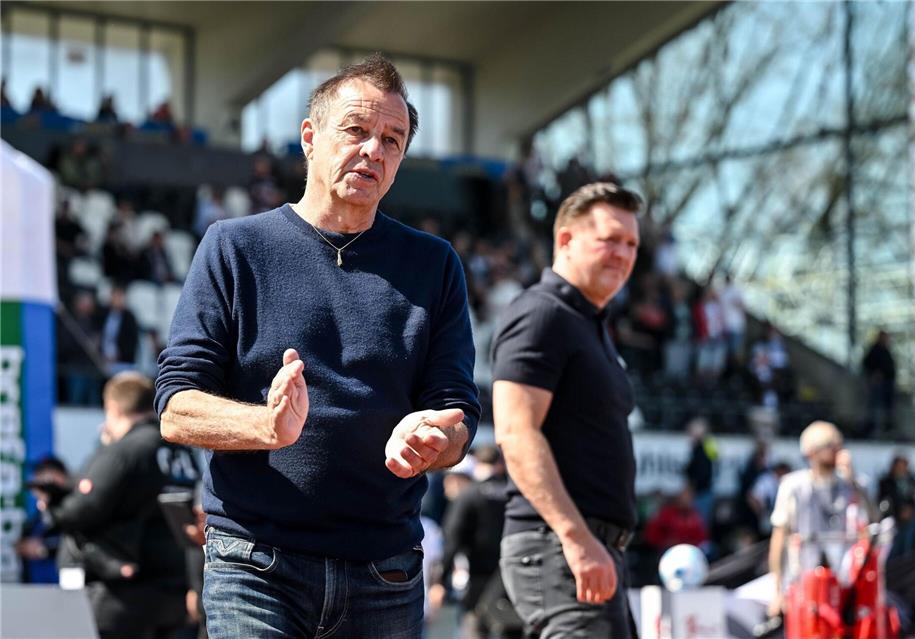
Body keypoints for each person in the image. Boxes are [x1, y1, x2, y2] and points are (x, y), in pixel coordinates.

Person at [155, 53, 480, 639]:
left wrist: (436, 437)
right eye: (356, 130)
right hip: (255, 563)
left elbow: (458, 409)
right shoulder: (234, 247)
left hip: (385, 572)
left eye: (392, 140)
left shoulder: (434, 265)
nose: (374, 150)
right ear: (310, 137)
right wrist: (266, 426)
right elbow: (176, 408)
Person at [492, 182, 643, 638]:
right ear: (566, 240)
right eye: (610, 240)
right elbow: (516, 433)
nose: (623, 254)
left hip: (585, 547)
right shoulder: (543, 314)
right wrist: (576, 538)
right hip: (561, 545)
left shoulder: (588, 324)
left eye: (631, 244)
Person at [36, 372, 200, 639]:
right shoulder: (181, 451)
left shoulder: (125, 451)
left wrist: (52, 507)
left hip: (124, 592)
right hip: (174, 588)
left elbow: (83, 510)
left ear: (113, 408)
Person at [766, 421, 873, 620]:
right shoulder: (793, 486)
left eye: (839, 445)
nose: (838, 451)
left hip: (845, 588)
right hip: (803, 586)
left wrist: (853, 481)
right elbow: (779, 538)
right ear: (811, 452)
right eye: (830, 446)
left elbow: (873, 522)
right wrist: (777, 591)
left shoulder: (852, 485)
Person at [433, 445, 516, 639]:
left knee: (475, 628)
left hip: (478, 579)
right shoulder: (514, 496)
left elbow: (453, 538)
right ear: (500, 464)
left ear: (477, 463)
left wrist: (440, 580)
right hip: (512, 577)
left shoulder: (469, 495)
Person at [17, 456, 70, 583]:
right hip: (35, 590)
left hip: (66, 588)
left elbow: (80, 545)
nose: (42, 484)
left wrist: (43, 549)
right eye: (39, 477)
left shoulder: (75, 511)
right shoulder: (35, 519)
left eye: (49, 477)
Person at [877, 453, 915, 559]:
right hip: (893, 518)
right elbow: (883, 500)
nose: (901, 469)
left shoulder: (912, 481)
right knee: (892, 548)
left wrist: (909, 510)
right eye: (898, 466)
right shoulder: (885, 481)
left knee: (907, 546)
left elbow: (914, 500)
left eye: (903, 466)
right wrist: (899, 510)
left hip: (909, 518)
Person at [862, 330, 897, 436]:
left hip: (887, 384)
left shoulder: (886, 350)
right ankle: (873, 427)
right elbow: (866, 363)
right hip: (878, 385)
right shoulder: (875, 350)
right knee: (875, 407)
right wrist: (874, 373)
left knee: (887, 407)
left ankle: (887, 428)